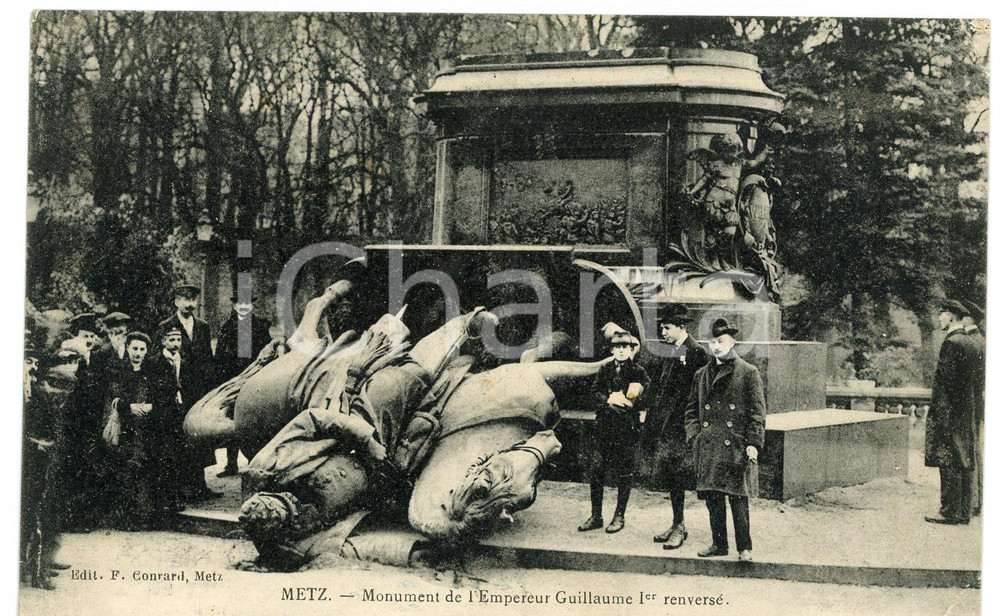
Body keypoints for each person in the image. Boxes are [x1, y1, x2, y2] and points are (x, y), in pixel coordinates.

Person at [684, 318, 766, 562]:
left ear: (732, 342)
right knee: (713, 497)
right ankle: (719, 544)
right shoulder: (701, 374)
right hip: (709, 444)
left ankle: (744, 548)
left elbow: (757, 412)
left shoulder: (748, 372)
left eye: (721, 341)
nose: (716, 346)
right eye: (712, 341)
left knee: (738, 499)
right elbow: (691, 410)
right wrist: (694, 436)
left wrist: (753, 443)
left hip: (735, 445)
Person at [579, 327, 649, 534]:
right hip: (604, 428)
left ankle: (619, 516)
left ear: (631, 350)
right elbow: (594, 392)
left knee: (624, 473)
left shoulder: (638, 371)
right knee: (597, 470)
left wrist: (631, 402)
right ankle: (596, 516)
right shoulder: (605, 369)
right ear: (611, 350)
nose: (621, 351)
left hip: (626, 429)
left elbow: (646, 398)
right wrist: (608, 399)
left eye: (625, 347)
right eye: (617, 347)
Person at [650, 305, 709, 549]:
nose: (662, 332)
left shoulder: (696, 352)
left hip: (685, 426)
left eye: (667, 327)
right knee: (673, 476)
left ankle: (681, 527)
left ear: (682, 327)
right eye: (662, 327)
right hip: (669, 425)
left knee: (683, 475)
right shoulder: (671, 350)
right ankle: (677, 523)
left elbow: (700, 394)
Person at [21, 346, 80, 589]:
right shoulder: (37, 403)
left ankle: (41, 566)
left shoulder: (52, 402)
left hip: (52, 466)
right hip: (38, 468)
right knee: (40, 518)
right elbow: (26, 436)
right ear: (53, 384)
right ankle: (37, 573)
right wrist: (40, 444)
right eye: (63, 390)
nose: (64, 396)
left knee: (49, 517)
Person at [925, 300, 979, 525]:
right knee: (964, 460)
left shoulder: (952, 343)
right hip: (967, 411)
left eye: (941, 314)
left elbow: (945, 385)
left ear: (951, 316)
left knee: (948, 462)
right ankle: (964, 512)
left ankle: (949, 511)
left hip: (950, 413)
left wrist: (941, 416)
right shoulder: (971, 342)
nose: (939, 319)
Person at [104, 332, 162, 529]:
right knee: (127, 467)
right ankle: (127, 517)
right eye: (134, 348)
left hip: (148, 426)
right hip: (126, 427)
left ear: (147, 351)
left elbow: (164, 396)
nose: (138, 353)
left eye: (142, 349)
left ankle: (146, 516)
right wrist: (129, 406)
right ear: (127, 348)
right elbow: (113, 397)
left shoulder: (154, 370)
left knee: (146, 468)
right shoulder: (119, 369)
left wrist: (151, 406)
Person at [214, 293, 272, 477]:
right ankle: (231, 463)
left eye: (248, 303)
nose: (244, 307)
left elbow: (269, 352)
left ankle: (254, 461)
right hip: (234, 379)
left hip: (257, 380)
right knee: (233, 420)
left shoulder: (261, 327)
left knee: (256, 420)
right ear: (234, 306)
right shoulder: (227, 327)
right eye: (240, 303)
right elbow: (220, 357)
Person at [60, 312, 107, 531]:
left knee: (85, 470)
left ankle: (82, 519)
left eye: (92, 336)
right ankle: (70, 520)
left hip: (87, 424)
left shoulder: (93, 359)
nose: (89, 340)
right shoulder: (69, 360)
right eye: (84, 335)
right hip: (71, 425)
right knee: (71, 471)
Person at [960, 300, 985, 517]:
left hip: (972, 404)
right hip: (977, 403)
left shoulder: (972, 341)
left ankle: (974, 501)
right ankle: (977, 500)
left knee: (972, 451)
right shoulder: (981, 340)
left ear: (968, 319)